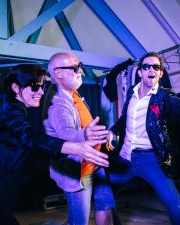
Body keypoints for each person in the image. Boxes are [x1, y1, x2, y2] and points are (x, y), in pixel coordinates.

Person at [0, 64, 109, 225]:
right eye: (35, 87)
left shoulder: (4, 100)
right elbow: (30, 138)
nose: (41, 92)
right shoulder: (10, 109)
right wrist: (76, 147)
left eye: (42, 86)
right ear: (16, 88)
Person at [100, 52, 180, 225]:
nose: (151, 69)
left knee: (173, 202)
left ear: (160, 73)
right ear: (140, 72)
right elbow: (125, 119)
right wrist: (112, 132)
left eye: (156, 67)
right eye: (146, 66)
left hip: (150, 159)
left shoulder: (163, 97)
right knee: (103, 187)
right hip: (125, 157)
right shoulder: (131, 94)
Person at [42, 52, 115, 225]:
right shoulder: (58, 103)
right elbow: (65, 133)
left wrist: (104, 135)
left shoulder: (73, 94)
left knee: (106, 205)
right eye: (75, 68)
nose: (80, 71)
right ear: (58, 73)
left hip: (94, 166)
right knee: (78, 222)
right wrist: (85, 134)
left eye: (79, 66)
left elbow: (86, 125)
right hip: (79, 173)